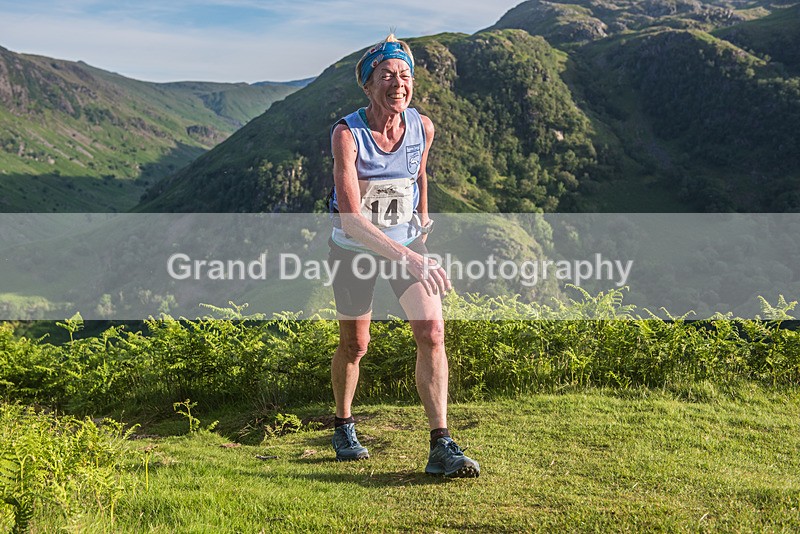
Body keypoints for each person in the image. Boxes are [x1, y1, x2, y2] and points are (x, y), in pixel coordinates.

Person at [327, 34, 479, 478]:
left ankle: (441, 445)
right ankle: (343, 423)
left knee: (432, 330)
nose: (399, 84)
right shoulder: (347, 134)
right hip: (354, 248)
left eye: (405, 76)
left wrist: (423, 223)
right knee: (356, 345)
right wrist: (408, 256)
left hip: (406, 244)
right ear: (368, 85)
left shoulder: (422, 126)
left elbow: (419, 172)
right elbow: (352, 220)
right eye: (387, 76)